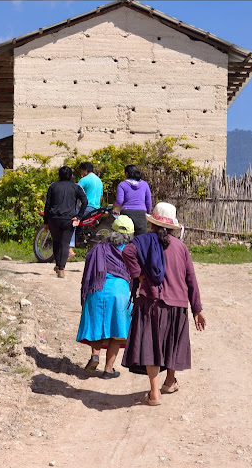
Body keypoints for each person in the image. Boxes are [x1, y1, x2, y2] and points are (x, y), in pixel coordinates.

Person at [120, 202, 206, 406]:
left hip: (151, 301)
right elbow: (191, 279)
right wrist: (197, 309)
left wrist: (139, 275)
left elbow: (126, 253)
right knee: (172, 342)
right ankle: (169, 381)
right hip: (177, 304)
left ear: (153, 224)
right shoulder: (181, 248)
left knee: (152, 345)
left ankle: (155, 392)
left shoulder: (145, 242)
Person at [76, 215, 135, 379]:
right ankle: (108, 370)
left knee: (97, 323)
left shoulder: (98, 248)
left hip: (98, 289)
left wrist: (85, 294)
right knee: (117, 330)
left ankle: (95, 355)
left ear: (111, 231)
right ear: (130, 235)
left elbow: (88, 271)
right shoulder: (130, 251)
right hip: (119, 292)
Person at [43, 165, 87, 278]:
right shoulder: (76, 187)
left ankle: (58, 265)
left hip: (54, 219)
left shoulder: (53, 186)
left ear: (59, 175)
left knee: (56, 242)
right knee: (64, 243)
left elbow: (47, 205)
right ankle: (61, 268)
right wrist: (79, 216)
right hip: (69, 219)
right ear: (71, 176)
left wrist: (46, 221)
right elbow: (85, 201)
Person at [68, 162, 104, 258]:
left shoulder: (84, 180)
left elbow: (74, 192)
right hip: (97, 209)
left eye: (81, 171)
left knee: (72, 221)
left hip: (86, 208)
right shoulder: (99, 181)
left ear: (85, 170)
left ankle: (69, 248)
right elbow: (101, 197)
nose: (81, 173)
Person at [113, 164, 152, 236]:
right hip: (141, 214)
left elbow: (119, 201)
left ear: (127, 174)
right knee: (141, 240)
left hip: (127, 214)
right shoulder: (144, 184)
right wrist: (147, 213)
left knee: (125, 238)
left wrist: (114, 205)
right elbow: (148, 202)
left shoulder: (122, 185)